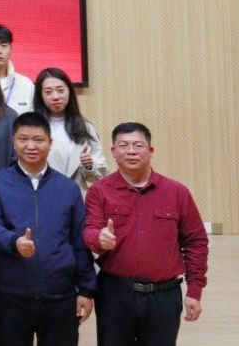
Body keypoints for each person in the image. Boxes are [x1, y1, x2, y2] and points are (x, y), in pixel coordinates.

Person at [83, 122, 208, 346]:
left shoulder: (176, 192)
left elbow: (195, 241)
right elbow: (90, 230)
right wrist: (98, 239)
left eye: (138, 145)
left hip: (164, 295)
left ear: (150, 150)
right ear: (113, 151)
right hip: (115, 293)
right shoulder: (99, 191)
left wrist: (194, 289)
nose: (131, 151)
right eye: (123, 145)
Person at [0, 113, 95, 346]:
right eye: (23, 139)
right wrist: (14, 242)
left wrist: (86, 289)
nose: (31, 146)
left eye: (38, 139)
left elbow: (79, 240)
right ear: (13, 142)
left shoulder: (68, 188)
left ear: (50, 143)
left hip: (60, 294)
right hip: (10, 295)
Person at [32, 68, 106, 196]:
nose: (55, 97)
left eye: (60, 90)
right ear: (40, 96)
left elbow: (99, 175)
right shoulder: (32, 127)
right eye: (48, 92)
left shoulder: (84, 127)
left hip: (75, 197)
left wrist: (89, 166)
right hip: (39, 196)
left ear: (69, 91)